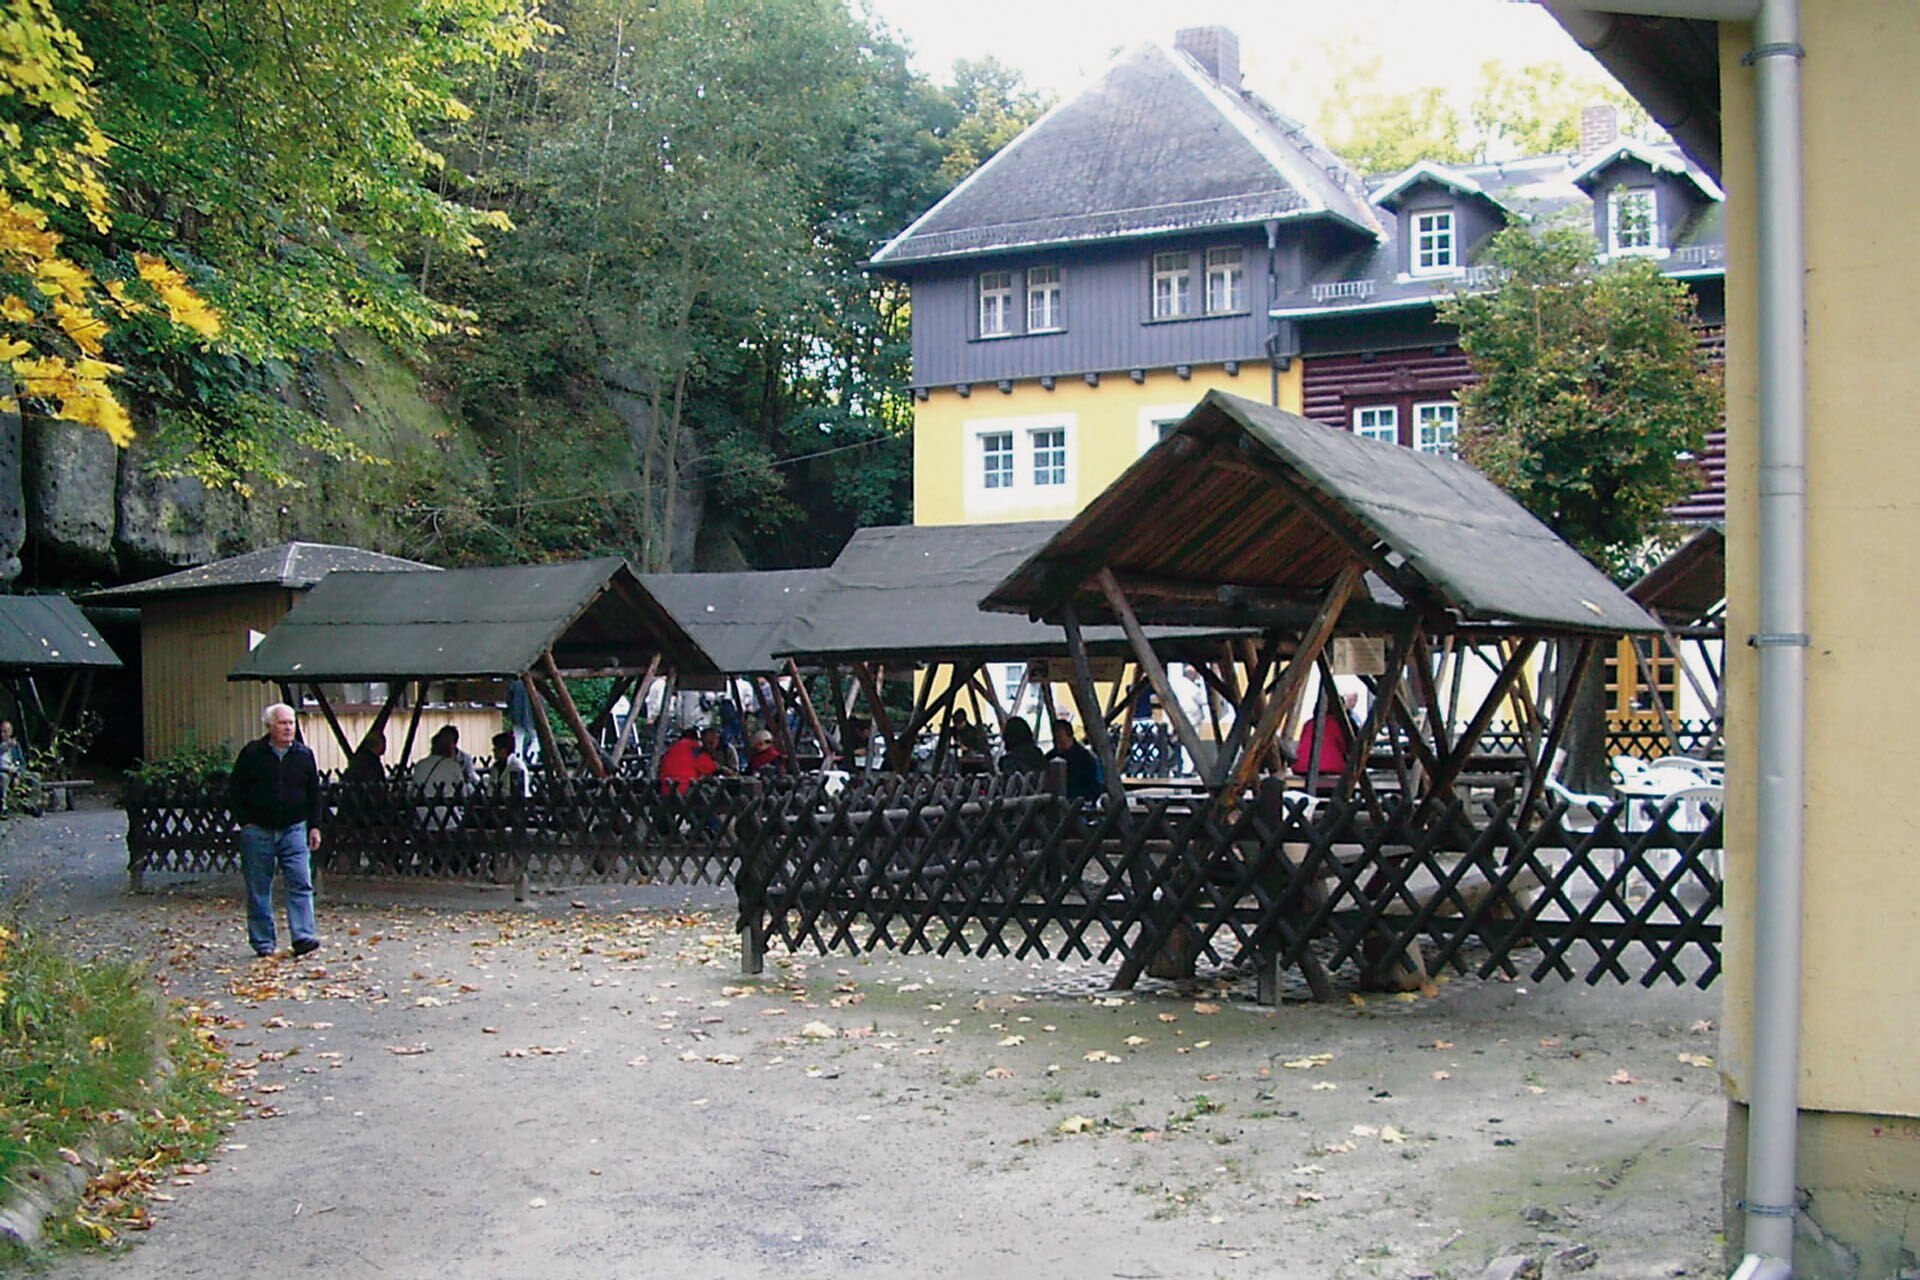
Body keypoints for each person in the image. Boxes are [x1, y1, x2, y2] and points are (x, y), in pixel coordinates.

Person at [228, 703, 323, 958]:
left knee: (300, 881)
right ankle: (263, 943)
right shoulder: (252, 754)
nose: (288, 728)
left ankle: (303, 936)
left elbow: (314, 793)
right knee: (259, 887)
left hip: (294, 828)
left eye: (291, 723)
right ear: (269, 726)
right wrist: (244, 820)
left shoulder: (303, 755)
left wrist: (314, 825)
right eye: (282, 723)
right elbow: (235, 789)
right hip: (258, 829)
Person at [410, 724, 477, 828]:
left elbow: (412, 791)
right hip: (448, 819)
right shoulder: (453, 766)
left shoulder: (420, 765)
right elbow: (463, 794)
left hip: (422, 819)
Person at [1294, 690, 1358, 787]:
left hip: (1302, 768)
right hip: (1331, 769)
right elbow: (1348, 749)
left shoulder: (1309, 724)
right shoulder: (1338, 725)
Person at [1048, 719, 1103, 803]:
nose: (1058, 746)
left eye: (1062, 742)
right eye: (1056, 742)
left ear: (1070, 737)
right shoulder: (1051, 756)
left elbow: (1094, 788)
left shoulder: (1086, 758)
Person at [657, 727, 718, 796]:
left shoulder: (672, 748)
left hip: (666, 791)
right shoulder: (694, 748)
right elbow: (710, 768)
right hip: (684, 791)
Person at [488, 730, 529, 803]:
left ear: (504, 750)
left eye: (496, 748)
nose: (494, 750)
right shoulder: (495, 767)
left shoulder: (517, 766)